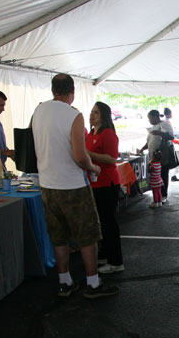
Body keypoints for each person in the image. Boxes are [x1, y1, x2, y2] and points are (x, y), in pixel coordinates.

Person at [32, 74, 118, 299]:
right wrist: (93, 168)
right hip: (71, 185)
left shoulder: (39, 111)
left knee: (59, 235)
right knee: (87, 235)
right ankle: (92, 283)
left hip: (47, 185)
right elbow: (80, 156)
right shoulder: (74, 115)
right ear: (72, 92)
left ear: (53, 90)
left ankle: (65, 281)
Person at [85, 101, 123, 274]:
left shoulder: (107, 134)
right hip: (93, 183)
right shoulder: (91, 133)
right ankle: (106, 254)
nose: (92, 115)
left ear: (104, 116)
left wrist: (87, 154)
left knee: (109, 223)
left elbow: (111, 158)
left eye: (97, 113)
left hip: (106, 183)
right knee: (101, 223)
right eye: (92, 112)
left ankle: (116, 262)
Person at [139, 110, 174, 202]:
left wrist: (160, 133)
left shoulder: (165, 125)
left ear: (155, 117)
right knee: (156, 176)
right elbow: (149, 141)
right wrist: (143, 148)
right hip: (153, 156)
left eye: (149, 118)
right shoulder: (153, 127)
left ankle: (163, 195)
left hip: (161, 155)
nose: (149, 120)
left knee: (163, 174)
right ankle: (157, 195)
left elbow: (171, 137)